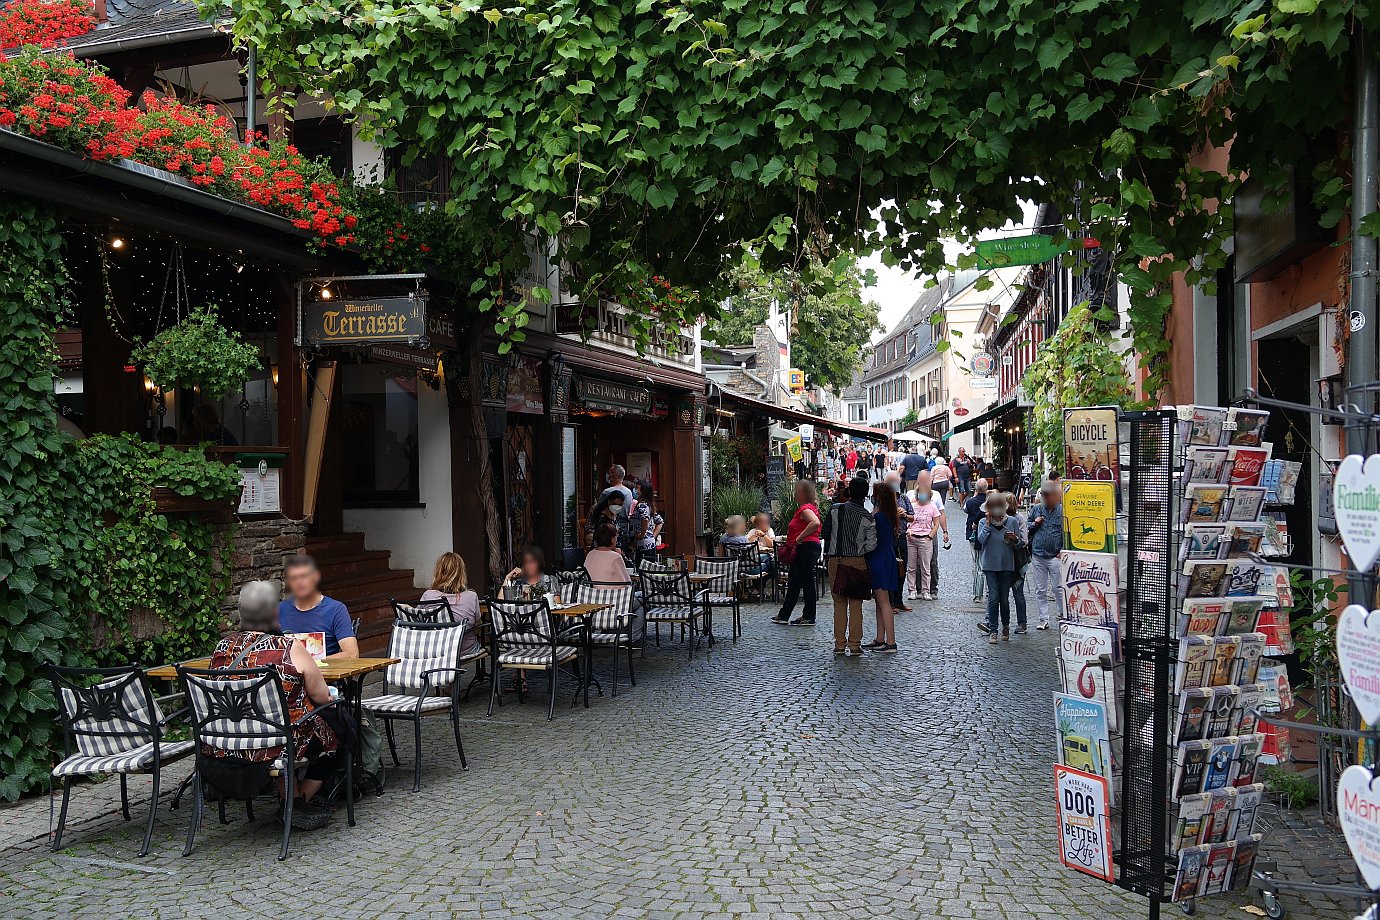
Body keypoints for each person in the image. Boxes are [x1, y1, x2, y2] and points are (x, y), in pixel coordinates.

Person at [212, 580, 339, 829]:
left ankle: (290, 799)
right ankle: (296, 802)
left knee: (282, 722)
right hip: (278, 744)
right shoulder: (289, 648)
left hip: (228, 744)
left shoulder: (222, 647)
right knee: (340, 728)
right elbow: (322, 696)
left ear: (241, 612)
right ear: (273, 612)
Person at [821, 476, 873, 656]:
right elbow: (872, 544)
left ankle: (839, 644)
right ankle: (855, 644)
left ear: (849, 492)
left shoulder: (835, 509)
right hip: (857, 561)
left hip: (836, 560)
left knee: (839, 604)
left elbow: (825, 532)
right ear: (865, 494)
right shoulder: (867, 517)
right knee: (856, 604)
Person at [278, 555, 357, 659]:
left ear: (315, 577)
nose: (299, 582)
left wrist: (312, 664)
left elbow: (352, 654)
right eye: (293, 578)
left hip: (325, 668)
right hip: (285, 668)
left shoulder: (336, 609)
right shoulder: (279, 610)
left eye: (304, 576)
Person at [976, 492, 1026, 644]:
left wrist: (1014, 539)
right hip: (990, 565)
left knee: (1004, 599)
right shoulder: (983, 522)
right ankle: (993, 630)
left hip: (1006, 565)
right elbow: (981, 541)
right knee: (993, 598)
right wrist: (987, 525)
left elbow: (1019, 545)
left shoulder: (1012, 521)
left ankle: (1005, 626)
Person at [773, 480, 822, 626]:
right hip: (805, 547)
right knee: (794, 582)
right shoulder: (807, 508)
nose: (795, 493)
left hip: (806, 547)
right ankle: (784, 615)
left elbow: (815, 523)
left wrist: (799, 537)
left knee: (806, 582)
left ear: (804, 493)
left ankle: (809, 616)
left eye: (797, 491)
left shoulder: (806, 509)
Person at [419, 552, 483, 657]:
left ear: (438, 572)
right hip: (464, 650)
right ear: (462, 573)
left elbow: (418, 619)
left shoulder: (428, 595)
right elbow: (477, 628)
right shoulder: (471, 596)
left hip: (437, 650)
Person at [864, 481, 901, 653]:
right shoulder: (888, 515)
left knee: (883, 602)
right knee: (880, 601)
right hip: (886, 557)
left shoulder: (879, 517)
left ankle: (890, 642)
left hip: (879, 558)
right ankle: (880, 638)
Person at [1027, 482, 1063, 631]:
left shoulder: (1062, 511)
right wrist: (1034, 524)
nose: (1047, 498)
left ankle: (1063, 614)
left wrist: (1062, 550)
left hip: (1055, 555)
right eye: (1044, 495)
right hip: (1038, 554)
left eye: (1049, 495)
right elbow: (1027, 526)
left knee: (1057, 588)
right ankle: (1043, 618)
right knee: (1040, 589)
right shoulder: (1037, 509)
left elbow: (1067, 531)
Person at [905, 481, 943, 601]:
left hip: (925, 539)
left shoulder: (932, 507)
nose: (922, 495)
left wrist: (930, 536)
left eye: (924, 493)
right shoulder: (912, 506)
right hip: (912, 539)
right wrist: (908, 530)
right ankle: (912, 590)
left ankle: (926, 591)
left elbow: (936, 523)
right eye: (920, 493)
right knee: (911, 567)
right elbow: (907, 520)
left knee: (925, 567)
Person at [884, 471, 913, 612]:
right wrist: (893, 513)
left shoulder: (904, 498)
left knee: (902, 569)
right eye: (891, 481)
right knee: (889, 569)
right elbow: (877, 515)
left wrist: (905, 515)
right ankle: (890, 602)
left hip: (901, 536)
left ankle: (898, 600)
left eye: (896, 481)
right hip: (888, 537)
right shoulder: (881, 499)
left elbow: (913, 517)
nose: (894, 484)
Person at [1004, 492, 1031, 634]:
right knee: (1000, 594)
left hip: (1017, 559)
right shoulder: (1000, 518)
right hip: (1003, 559)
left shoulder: (1019, 519)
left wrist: (1015, 540)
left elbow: (1024, 540)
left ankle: (1022, 622)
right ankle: (1001, 623)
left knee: (1018, 592)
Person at [963, 478, 990, 603]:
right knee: (988, 563)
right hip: (988, 535)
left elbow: (965, 509)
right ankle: (989, 590)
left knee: (977, 562)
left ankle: (978, 593)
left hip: (973, 534)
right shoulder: (989, 502)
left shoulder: (971, 501)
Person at [589, 489, 631, 556]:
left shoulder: (616, 516)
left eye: (620, 504)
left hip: (616, 550)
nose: (617, 507)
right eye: (614, 504)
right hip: (604, 552)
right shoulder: (601, 519)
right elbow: (602, 540)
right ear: (609, 502)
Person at [631, 480, 663, 562]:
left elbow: (645, 519)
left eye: (637, 489)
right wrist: (652, 536)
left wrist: (642, 534)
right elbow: (660, 522)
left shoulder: (642, 505)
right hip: (650, 543)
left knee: (641, 566)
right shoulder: (649, 505)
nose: (635, 491)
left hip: (643, 544)